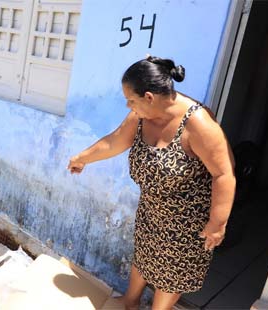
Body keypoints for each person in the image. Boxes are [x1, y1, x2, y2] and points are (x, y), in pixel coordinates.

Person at [67, 56, 236, 310]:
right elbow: (116, 141)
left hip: (187, 223)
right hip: (152, 210)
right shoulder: (141, 116)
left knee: (171, 276)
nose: (128, 105)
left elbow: (224, 173)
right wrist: (83, 158)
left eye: (131, 100)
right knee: (144, 257)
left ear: (149, 97)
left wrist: (217, 223)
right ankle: (130, 301)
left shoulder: (198, 124)